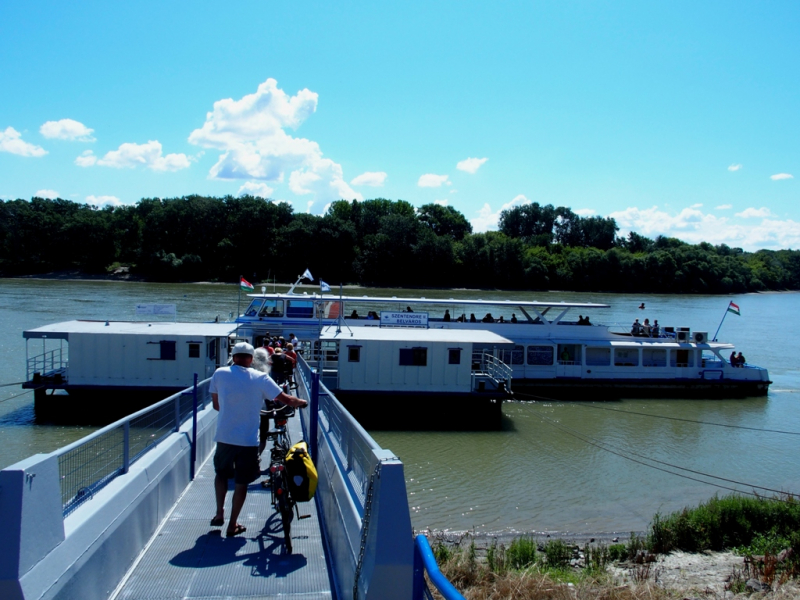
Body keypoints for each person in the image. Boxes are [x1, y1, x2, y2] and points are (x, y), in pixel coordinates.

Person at [209, 342, 307, 537]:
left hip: (224, 436)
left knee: (221, 474)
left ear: (233, 357)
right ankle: (233, 524)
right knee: (241, 482)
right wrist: (302, 402)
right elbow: (285, 399)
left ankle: (219, 513)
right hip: (247, 441)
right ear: (252, 359)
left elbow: (216, 405)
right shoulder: (260, 377)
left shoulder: (219, 373)